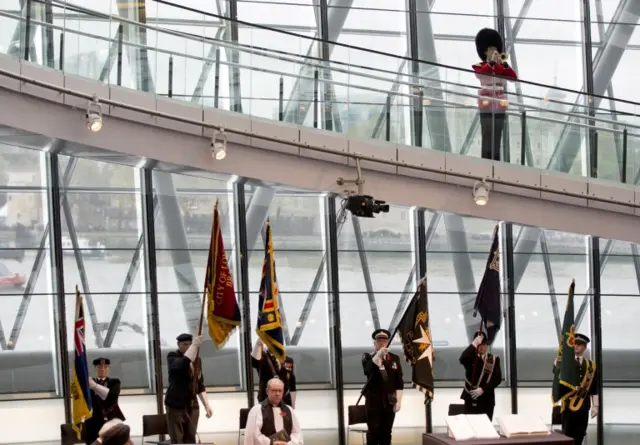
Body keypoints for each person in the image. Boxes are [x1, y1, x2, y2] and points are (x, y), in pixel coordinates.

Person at [473, 28, 518, 161]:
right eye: (491, 49)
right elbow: (481, 74)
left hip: (499, 102)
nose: (494, 52)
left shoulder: (500, 68)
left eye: (495, 49)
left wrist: (503, 63)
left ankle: (496, 157)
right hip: (486, 101)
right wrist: (491, 62)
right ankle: (486, 157)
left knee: (498, 131)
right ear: (485, 51)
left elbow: (513, 77)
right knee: (486, 131)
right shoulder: (479, 65)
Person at [164, 333, 213, 444]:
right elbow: (182, 363)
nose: (188, 347)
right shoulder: (172, 357)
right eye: (185, 344)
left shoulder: (197, 361)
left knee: (191, 438)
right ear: (178, 344)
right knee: (177, 439)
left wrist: (206, 405)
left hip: (192, 405)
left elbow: (199, 384)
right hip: (176, 405)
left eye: (190, 344)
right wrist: (194, 346)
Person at [361, 329, 404, 445]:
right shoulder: (367, 357)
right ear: (374, 343)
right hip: (374, 401)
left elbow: (399, 382)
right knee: (373, 432)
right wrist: (379, 355)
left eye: (385, 340)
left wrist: (398, 401)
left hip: (389, 401)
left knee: (387, 432)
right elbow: (369, 370)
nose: (382, 343)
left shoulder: (394, 358)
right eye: (379, 341)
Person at [559, 333, 598, 445]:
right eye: (574, 344)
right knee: (567, 436)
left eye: (580, 344)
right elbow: (556, 372)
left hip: (584, 406)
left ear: (585, 347)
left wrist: (596, 405)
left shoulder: (591, 365)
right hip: (569, 406)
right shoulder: (565, 362)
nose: (576, 346)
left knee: (580, 435)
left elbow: (594, 387)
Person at [244, 378, 303, 445]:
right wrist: (271, 442)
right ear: (267, 391)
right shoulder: (257, 410)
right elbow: (253, 435)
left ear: (283, 391)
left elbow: (296, 432)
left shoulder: (289, 410)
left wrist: (290, 444)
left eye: (280, 391)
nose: (277, 393)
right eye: (274, 390)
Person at [459, 331, 502, 420]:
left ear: (487, 345)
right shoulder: (470, 358)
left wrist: (483, 389)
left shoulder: (492, 359)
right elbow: (462, 359)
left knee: (486, 429)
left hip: (487, 399)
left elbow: (497, 379)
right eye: (479, 344)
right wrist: (474, 344)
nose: (481, 347)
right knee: (471, 428)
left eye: (483, 344)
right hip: (471, 399)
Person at [85, 358, 125, 445]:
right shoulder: (88, 383)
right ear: (95, 368)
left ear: (109, 368)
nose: (102, 369)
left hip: (111, 421)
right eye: (99, 367)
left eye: (105, 367)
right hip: (93, 422)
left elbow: (111, 397)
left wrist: (95, 386)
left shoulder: (114, 382)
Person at [252, 338, 297, 407]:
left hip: (285, 400)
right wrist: (259, 341)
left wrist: (293, 403)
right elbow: (253, 361)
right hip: (266, 400)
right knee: (268, 417)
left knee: (284, 417)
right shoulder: (262, 358)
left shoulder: (288, 360)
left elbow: (292, 381)